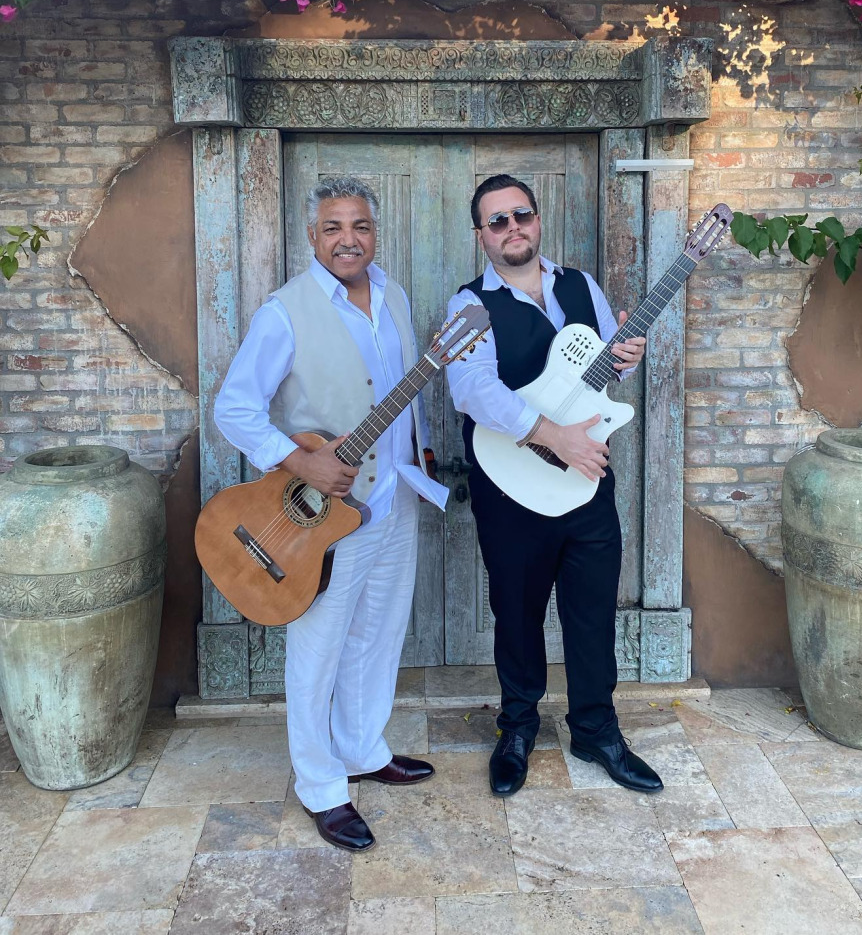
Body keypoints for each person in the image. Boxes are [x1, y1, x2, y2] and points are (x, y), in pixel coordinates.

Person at [214, 176, 447, 852]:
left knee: (379, 633)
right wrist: (300, 460)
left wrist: (423, 449)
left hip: (395, 497)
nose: (349, 240)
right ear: (313, 237)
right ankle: (320, 786)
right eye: (334, 228)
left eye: (361, 227)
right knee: (318, 650)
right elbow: (234, 408)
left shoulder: (395, 296)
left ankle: (362, 750)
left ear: (375, 233)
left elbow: (400, 391)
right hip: (322, 514)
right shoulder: (285, 312)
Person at [446, 173, 663, 798]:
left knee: (591, 612)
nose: (512, 228)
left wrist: (625, 357)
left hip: (587, 479)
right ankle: (517, 729)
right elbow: (471, 388)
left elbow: (601, 375)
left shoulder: (581, 286)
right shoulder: (469, 306)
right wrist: (550, 435)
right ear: (481, 236)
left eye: (522, 214)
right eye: (497, 220)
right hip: (510, 486)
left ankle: (596, 729)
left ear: (537, 220)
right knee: (517, 614)